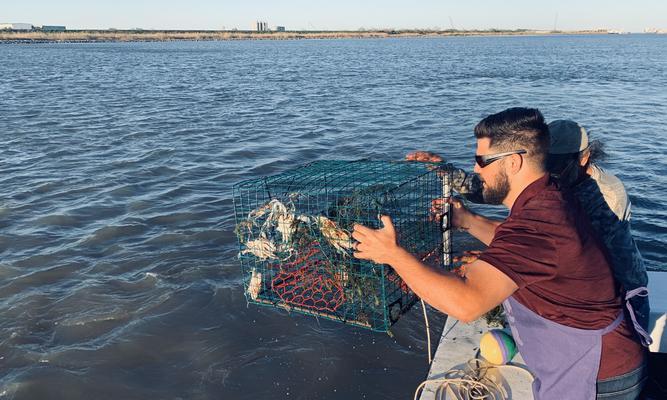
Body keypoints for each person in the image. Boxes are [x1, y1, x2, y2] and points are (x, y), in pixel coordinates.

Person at [354, 108, 645, 399]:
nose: (476, 168)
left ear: (514, 162)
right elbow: (527, 248)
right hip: (579, 362)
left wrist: (392, 254)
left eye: (482, 159)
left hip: (594, 377)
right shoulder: (547, 196)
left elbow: (467, 304)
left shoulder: (539, 221)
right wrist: (469, 221)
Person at [547, 120, 652, 348]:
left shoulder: (608, 193)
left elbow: (585, 252)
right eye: (544, 161)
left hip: (623, 295)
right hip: (583, 294)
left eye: (557, 163)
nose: (549, 171)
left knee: (623, 358)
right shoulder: (557, 183)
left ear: (583, 158)